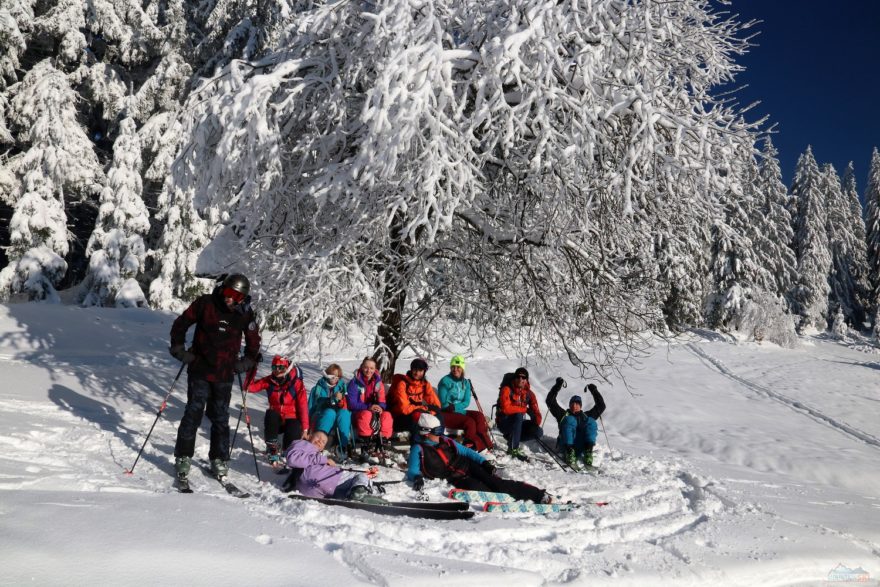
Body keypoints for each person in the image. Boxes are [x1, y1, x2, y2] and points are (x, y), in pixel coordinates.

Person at [169, 273, 261, 483]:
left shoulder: (244, 313)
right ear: (222, 288)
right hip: (200, 369)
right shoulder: (206, 303)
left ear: (242, 298)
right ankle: (183, 456)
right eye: (228, 292)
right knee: (193, 412)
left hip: (224, 374)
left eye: (236, 296)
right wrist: (179, 349)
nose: (230, 298)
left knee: (220, 417)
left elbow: (254, 342)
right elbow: (181, 323)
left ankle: (219, 458)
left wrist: (246, 362)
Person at [405, 414, 551, 504]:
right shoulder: (418, 449)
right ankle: (511, 498)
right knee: (484, 491)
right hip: (456, 478)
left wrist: (484, 462)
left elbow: (467, 451)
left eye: (440, 431)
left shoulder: (445, 440)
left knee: (498, 484)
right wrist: (416, 477)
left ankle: (538, 495)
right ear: (425, 432)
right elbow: (412, 469)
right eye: (437, 432)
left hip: (470, 466)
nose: (440, 434)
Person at [285, 430, 383, 503]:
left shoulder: (315, 456)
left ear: (322, 448)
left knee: (352, 487)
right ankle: (363, 489)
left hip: (314, 489)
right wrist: (324, 460)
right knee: (365, 474)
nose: (320, 441)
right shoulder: (302, 443)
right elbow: (292, 459)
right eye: (318, 437)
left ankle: (359, 492)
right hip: (319, 477)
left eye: (323, 442)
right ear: (309, 436)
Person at [246, 355, 309, 466]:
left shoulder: (296, 383)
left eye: (281, 367)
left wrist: (305, 428)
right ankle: (272, 449)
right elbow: (249, 387)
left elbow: (303, 406)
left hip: (292, 417)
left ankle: (288, 451)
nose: (277, 370)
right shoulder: (269, 381)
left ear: (287, 368)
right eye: (274, 367)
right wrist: (252, 368)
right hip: (276, 420)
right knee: (271, 414)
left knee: (294, 429)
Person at [436, 355, 493, 453]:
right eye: (453, 367)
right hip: (446, 413)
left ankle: (487, 444)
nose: (455, 369)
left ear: (462, 368)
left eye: (458, 367)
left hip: (458, 410)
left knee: (479, 416)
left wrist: (454, 407)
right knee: (469, 422)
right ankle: (473, 445)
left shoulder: (466, 383)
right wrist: (451, 407)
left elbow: (466, 402)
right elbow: (443, 403)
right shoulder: (445, 381)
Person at [546, 379, 606, 470]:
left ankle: (588, 452)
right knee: (570, 419)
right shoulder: (563, 414)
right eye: (572, 403)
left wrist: (594, 391)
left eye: (577, 403)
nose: (574, 406)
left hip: (582, 445)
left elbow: (601, 406)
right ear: (569, 405)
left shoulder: (586, 416)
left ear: (580, 406)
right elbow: (550, 401)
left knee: (591, 421)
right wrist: (558, 385)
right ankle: (569, 453)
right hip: (565, 446)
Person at [347, 357, 392, 454]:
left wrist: (381, 407)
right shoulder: (354, 383)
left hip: (374, 413)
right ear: (361, 367)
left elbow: (382, 400)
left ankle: (383, 442)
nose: (368, 371)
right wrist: (368, 407)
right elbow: (352, 404)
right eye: (366, 367)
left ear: (375, 369)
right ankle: (366, 445)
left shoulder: (378, 383)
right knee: (366, 414)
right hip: (358, 414)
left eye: (371, 368)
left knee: (387, 415)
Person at [496, 367, 543, 460]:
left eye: (523, 377)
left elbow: (537, 414)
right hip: (504, 422)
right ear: (514, 378)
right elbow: (506, 409)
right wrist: (524, 409)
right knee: (518, 415)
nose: (520, 379)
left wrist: (534, 418)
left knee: (538, 431)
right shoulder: (506, 389)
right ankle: (513, 449)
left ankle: (512, 438)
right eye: (518, 377)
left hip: (518, 424)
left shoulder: (530, 394)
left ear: (527, 380)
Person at [389, 357, 442, 436]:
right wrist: (424, 408)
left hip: (416, 414)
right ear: (411, 370)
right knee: (419, 420)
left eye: (420, 370)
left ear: (424, 372)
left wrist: (430, 412)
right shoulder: (402, 384)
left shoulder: (424, 385)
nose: (417, 373)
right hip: (399, 418)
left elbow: (436, 406)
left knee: (438, 416)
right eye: (415, 370)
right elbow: (404, 409)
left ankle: (439, 439)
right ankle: (417, 443)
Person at [308, 363, 352, 458]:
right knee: (330, 412)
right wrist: (307, 426)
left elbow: (347, 405)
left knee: (344, 413)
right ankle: (319, 443)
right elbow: (312, 406)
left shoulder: (342, 388)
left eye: (337, 377)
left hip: (338, 418)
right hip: (322, 417)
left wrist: (341, 401)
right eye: (332, 376)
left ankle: (343, 446)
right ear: (327, 375)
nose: (335, 378)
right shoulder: (317, 389)